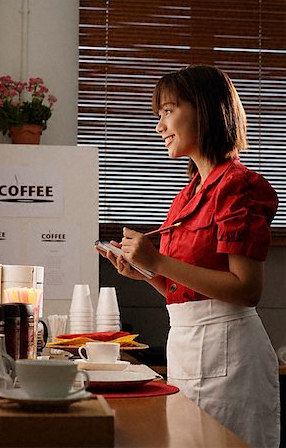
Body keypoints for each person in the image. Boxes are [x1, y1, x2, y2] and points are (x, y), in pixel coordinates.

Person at [96, 65, 280, 448]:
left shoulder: (239, 186)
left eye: (167, 111)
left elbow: (246, 290)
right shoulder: (190, 192)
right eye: (158, 115)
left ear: (205, 109)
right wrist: (145, 273)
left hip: (229, 351)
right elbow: (188, 291)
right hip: (186, 343)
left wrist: (159, 262)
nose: (159, 126)